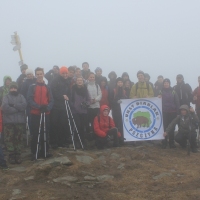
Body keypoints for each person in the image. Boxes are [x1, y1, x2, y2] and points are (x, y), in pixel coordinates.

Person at [27, 67, 54, 160]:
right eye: (37, 74)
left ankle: (45, 151)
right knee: (35, 133)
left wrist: (47, 108)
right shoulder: (32, 87)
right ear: (35, 75)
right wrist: (38, 107)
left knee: (45, 132)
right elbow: (29, 99)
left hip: (46, 113)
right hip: (35, 114)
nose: (39, 75)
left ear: (43, 74)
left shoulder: (47, 87)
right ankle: (35, 152)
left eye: (41, 73)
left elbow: (51, 100)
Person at [1, 82, 27, 164]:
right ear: (9, 89)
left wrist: (14, 105)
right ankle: (11, 155)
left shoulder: (21, 96)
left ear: (17, 88)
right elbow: (5, 107)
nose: (13, 89)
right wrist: (17, 109)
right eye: (12, 88)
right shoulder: (6, 97)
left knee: (18, 138)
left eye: (14, 88)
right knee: (9, 139)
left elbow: (24, 105)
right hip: (8, 122)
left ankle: (18, 155)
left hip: (19, 122)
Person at [50, 66, 71, 148]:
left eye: (66, 73)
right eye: (63, 73)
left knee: (63, 124)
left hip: (64, 106)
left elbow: (69, 92)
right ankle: (54, 142)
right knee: (54, 124)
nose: (65, 75)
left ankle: (62, 141)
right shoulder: (55, 80)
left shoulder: (67, 81)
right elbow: (53, 92)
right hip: (55, 106)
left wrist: (68, 97)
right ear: (60, 73)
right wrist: (62, 96)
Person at [158, 78, 180, 148]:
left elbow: (177, 101)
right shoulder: (160, 91)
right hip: (164, 112)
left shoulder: (173, 91)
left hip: (172, 112)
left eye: (167, 83)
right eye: (165, 83)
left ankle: (171, 143)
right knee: (164, 127)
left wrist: (178, 112)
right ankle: (164, 142)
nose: (166, 84)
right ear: (163, 84)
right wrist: (158, 97)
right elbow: (157, 100)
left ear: (169, 84)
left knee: (172, 127)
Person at [71, 77, 90, 148]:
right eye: (78, 80)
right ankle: (76, 141)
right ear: (76, 81)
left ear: (83, 81)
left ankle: (82, 141)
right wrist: (73, 105)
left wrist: (86, 104)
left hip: (83, 111)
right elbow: (70, 99)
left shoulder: (85, 89)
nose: (79, 81)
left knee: (82, 127)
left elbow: (89, 99)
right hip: (75, 111)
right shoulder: (73, 89)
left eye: (81, 80)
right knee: (77, 126)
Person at [109, 77, 127, 143]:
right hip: (115, 110)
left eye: (121, 82)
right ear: (117, 83)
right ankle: (116, 139)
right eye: (119, 82)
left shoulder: (124, 91)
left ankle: (122, 138)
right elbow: (110, 100)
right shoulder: (113, 91)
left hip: (122, 110)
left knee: (122, 125)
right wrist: (116, 102)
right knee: (116, 124)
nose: (120, 83)